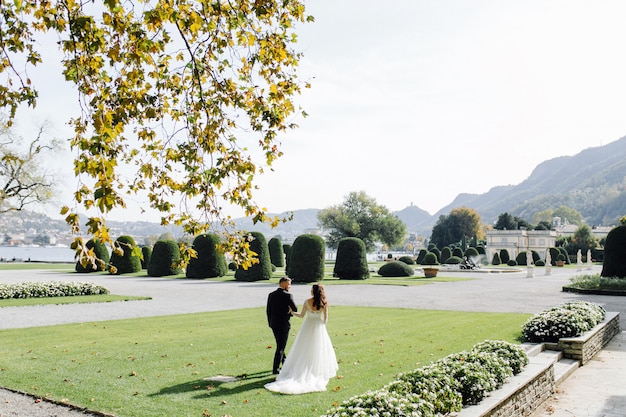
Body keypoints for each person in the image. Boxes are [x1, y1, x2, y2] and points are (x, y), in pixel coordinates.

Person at [265, 284, 338, 394]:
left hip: (307, 326)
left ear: (312, 291)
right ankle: (316, 369)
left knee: (304, 348)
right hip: (319, 327)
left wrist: (292, 312)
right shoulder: (324, 303)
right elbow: (325, 320)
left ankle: (302, 368)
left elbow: (301, 315)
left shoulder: (307, 301)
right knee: (319, 349)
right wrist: (321, 325)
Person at [267, 277, 298, 375]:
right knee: (281, 347)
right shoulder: (288, 296)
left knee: (280, 345)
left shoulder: (271, 295)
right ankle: (275, 369)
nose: (290, 286)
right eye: (289, 284)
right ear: (284, 284)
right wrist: (290, 313)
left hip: (274, 324)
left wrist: (270, 323)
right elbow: (295, 309)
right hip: (284, 324)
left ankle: (285, 364)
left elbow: (268, 311)